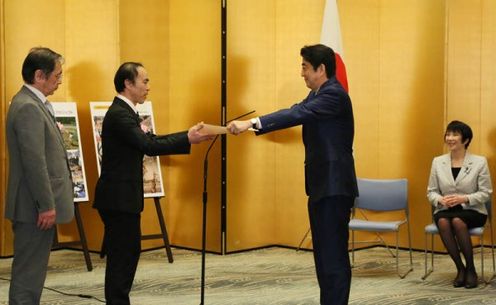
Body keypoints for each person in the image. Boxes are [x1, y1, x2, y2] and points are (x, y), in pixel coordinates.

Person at [227, 44, 358, 305]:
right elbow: (295, 109)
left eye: (305, 67)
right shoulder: (317, 94)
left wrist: (251, 123)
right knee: (323, 256)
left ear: (321, 69)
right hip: (321, 186)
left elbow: (296, 114)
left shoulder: (334, 94)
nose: (302, 73)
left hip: (334, 187)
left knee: (333, 256)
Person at [93, 62, 213, 305]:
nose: (149, 86)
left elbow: (151, 140)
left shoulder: (125, 112)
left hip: (122, 198)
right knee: (123, 257)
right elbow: (149, 146)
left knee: (126, 255)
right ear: (128, 83)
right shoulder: (119, 114)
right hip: (118, 200)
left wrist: (187, 136)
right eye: (144, 81)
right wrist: (188, 137)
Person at [5, 47, 74, 304]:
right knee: (28, 276)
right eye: (56, 75)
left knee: (33, 272)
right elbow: (34, 163)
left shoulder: (34, 104)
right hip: (33, 207)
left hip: (34, 205)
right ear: (39, 75)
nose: (60, 81)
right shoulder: (27, 107)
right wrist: (46, 205)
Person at [427, 120, 492, 289]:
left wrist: (465, 199)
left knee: (457, 221)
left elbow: (486, 193)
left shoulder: (479, 162)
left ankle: (471, 268)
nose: (450, 138)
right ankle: (460, 268)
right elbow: (431, 191)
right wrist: (440, 200)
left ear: (466, 140)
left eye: (455, 134)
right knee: (442, 221)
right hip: (446, 209)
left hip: (472, 210)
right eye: (448, 134)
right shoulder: (437, 162)